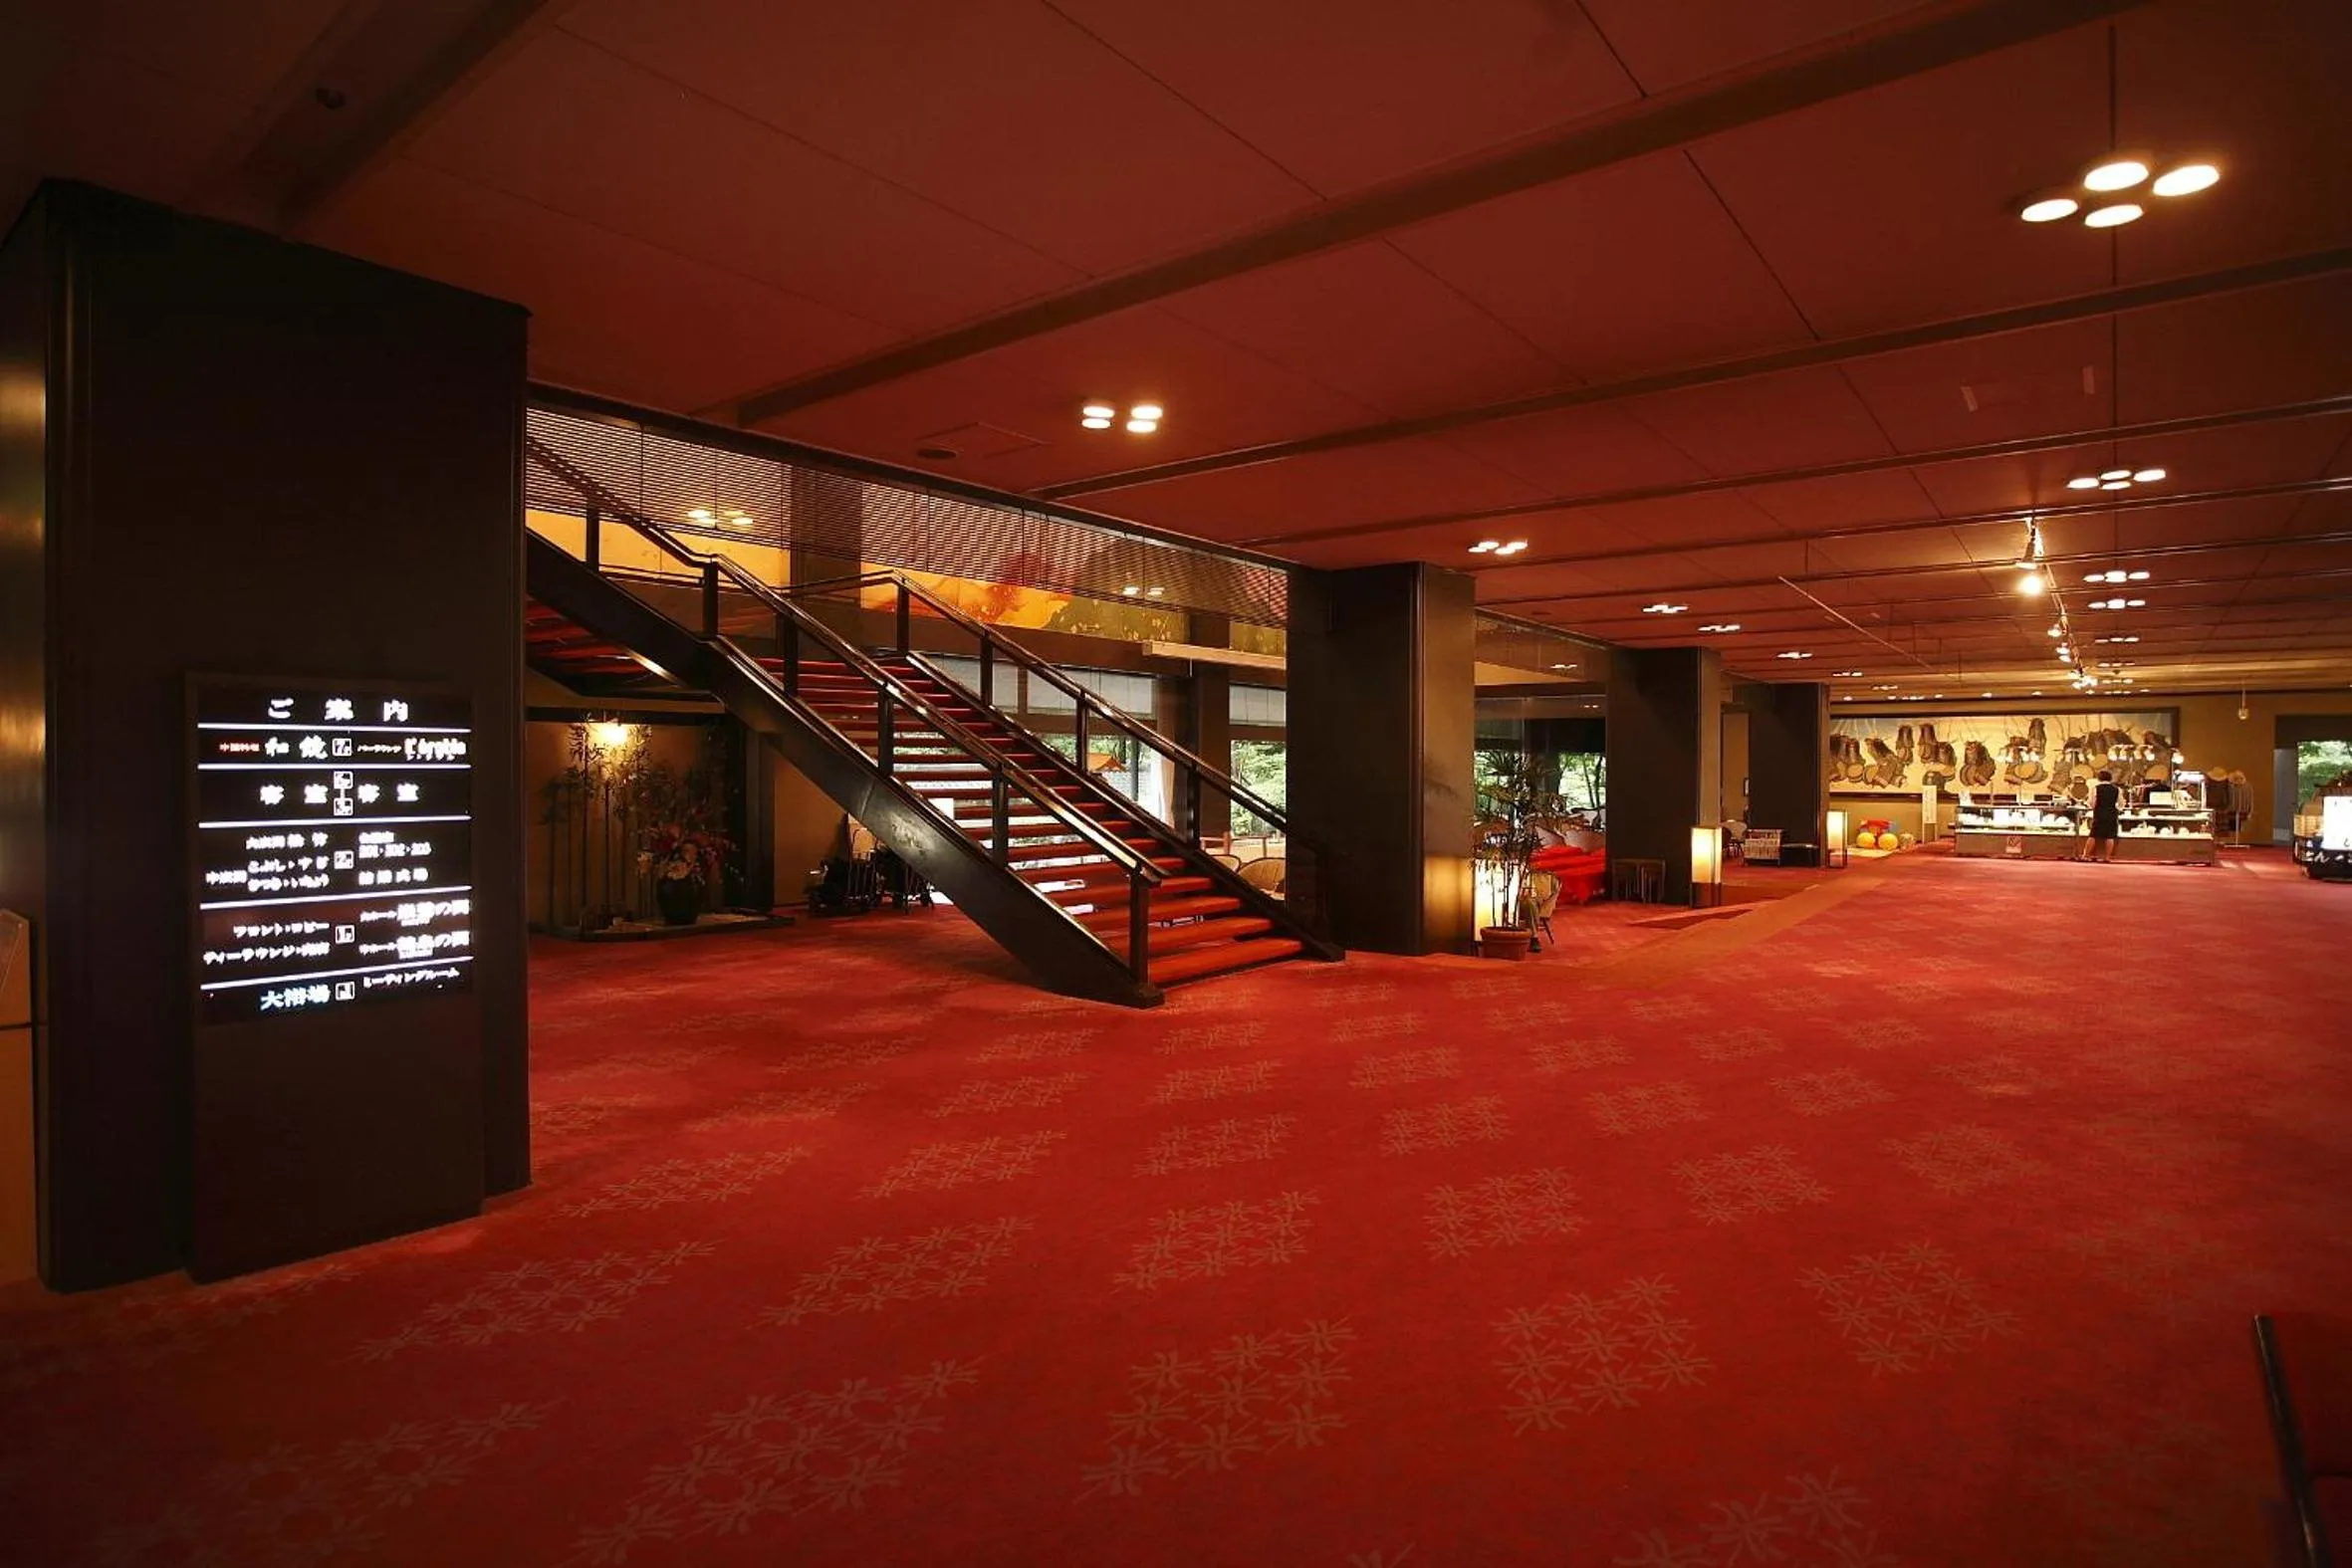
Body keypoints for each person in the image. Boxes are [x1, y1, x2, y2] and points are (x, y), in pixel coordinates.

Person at [2080, 769, 2122, 862]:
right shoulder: (2117, 789)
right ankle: (2107, 857)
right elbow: (2121, 803)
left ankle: (2086, 855)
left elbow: (2092, 802)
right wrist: (2116, 808)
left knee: (2093, 834)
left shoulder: (2095, 788)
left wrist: (2093, 807)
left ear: (2099, 778)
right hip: (2112, 813)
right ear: (2110, 778)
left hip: (2099, 813)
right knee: (2110, 836)